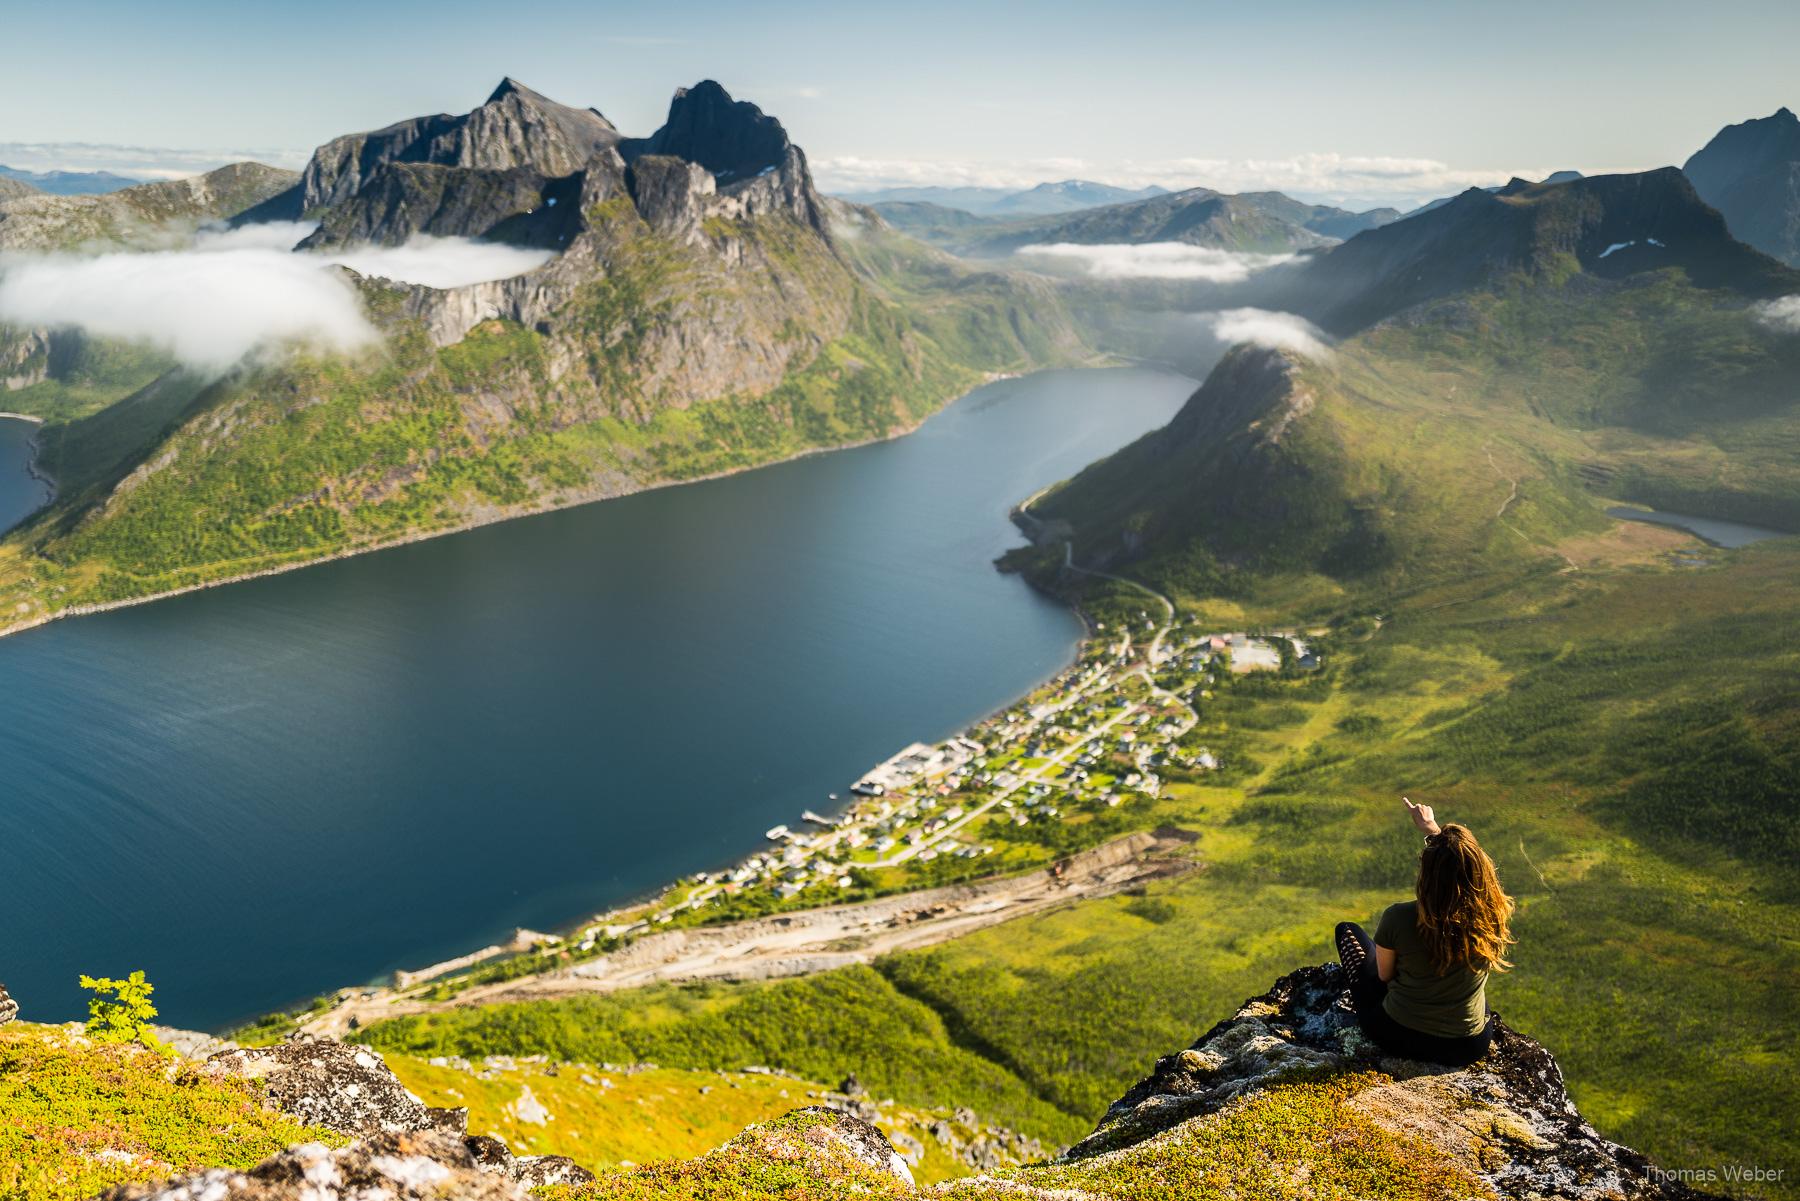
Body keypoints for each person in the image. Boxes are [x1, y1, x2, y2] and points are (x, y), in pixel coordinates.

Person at [1334, 798, 1514, 1066]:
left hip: (1398, 1034)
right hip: (1467, 1045)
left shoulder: (1400, 917)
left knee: (1347, 933)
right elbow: (1464, 864)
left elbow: (1384, 976)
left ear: (1426, 874)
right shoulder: (1493, 915)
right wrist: (1433, 829)